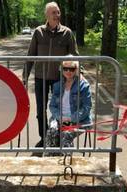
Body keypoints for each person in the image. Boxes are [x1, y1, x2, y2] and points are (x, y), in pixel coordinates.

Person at [22, 1, 79, 148]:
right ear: (47, 15)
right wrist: (24, 77)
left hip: (60, 79)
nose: (57, 15)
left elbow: (75, 56)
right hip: (41, 78)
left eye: (58, 12)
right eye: (54, 13)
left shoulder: (67, 33)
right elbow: (30, 55)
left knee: (63, 110)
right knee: (41, 112)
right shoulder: (38, 32)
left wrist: (78, 77)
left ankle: (63, 138)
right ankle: (45, 138)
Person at [45, 59, 92, 155]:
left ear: (76, 70)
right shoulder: (57, 86)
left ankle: (66, 163)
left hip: (79, 120)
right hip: (59, 118)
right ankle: (51, 160)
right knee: (52, 132)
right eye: (65, 69)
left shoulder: (84, 86)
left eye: (71, 69)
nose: (68, 72)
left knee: (66, 135)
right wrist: (60, 117)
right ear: (61, 70)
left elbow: (87, 107)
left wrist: (71, 118)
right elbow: (52, 106)